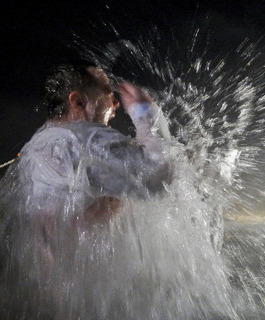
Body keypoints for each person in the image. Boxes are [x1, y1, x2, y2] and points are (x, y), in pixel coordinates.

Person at [16, 60, 181, 267]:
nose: (117, 104)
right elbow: (158, 176)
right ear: (78, 102)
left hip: (49, 283)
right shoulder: (83, 140)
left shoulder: (34, 148)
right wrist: (145, 111)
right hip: (83, 285)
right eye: (108, 93)